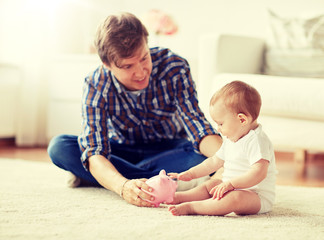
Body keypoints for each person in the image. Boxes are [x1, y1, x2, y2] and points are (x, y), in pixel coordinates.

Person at [47, 12, 222, 207]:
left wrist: (229, 158)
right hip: (120, 150)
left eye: (144, 58)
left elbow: (197, 127)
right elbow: (95, 149)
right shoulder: (96, 83)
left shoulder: (174, 67)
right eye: (128, 66)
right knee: (60, 147)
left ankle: (101, 178)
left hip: (171, 150)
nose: (140, 72)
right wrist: (123, 187)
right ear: (107, 65)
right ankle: (163, 182)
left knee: (204, 160)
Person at [168, 80, 277, 216]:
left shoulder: (257, 140)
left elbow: (259, 173)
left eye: (220, 123)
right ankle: (179, 197)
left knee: (234, 198)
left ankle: (193, 208)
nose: (218, 129)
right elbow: (214, 162)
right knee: (210, 185)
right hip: (229, 186)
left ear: (242, 119)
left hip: (255, 196)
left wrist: (232, 184)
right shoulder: (231, 139)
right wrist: (191, 173)